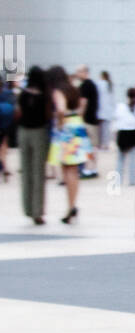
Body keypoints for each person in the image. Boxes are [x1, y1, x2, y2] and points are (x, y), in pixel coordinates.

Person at [46, 66, 92, 223]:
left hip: (66, 129)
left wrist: (59, 122)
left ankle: (71, 207)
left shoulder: (58, 91)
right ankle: (72, 205)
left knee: (67, 170)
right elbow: (82, 104)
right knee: (74, 170)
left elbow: (60, 109)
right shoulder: (73, 88)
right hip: (77, 125)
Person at [15, 66, 51, 224]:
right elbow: (48, 116)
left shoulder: (23, 94)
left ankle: (28, 208)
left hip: (23, 132)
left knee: (26, 171)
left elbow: (18, 113)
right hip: (39, 133)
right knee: (38, 172)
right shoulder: (44, 97)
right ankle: (38, 211)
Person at [113, 87, 135, 187]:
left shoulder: (120, 106)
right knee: (134, 158)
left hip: (123, 133)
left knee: (120, 159)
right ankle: (133, 180)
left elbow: (116, 119)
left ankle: (117, 181)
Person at [74, 66, 99, 175]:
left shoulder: (86, 85)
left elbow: (83, 103)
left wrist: (79, 117)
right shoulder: (90, 84)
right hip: (91, 119)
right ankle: (91, 167)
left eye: (79, 72)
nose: (77, 74)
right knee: (90, 145)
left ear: (85, 72)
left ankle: (90, 167)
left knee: (90, 145)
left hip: (87, 120)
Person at [96, 71, 115, 150]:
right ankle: (106, 144)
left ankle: (101, 144)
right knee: (106, 129)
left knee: (100, 129)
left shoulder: (100, 84)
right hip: (108, 110)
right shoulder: (109, 85)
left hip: (101, 109)